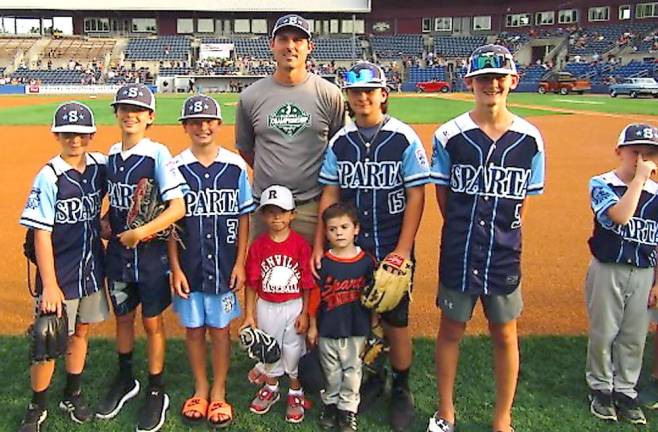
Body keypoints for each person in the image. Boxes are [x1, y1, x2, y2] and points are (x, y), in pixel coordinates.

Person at [428, 44, 545, 432]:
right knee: (450, 329)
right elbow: (444, 197)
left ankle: (502, 418)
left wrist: (502, 232)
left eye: (499, 77)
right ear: (469, 83)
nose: (491, 84)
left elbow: (522, 204)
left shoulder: (530, 139)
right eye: (483, 78)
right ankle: (445, 413)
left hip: (504, 253)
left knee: (505, 332)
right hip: (459, 250)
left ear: (513, 81)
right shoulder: (449, 135)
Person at [313, 61, 431, 431]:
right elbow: (330, 192)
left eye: (370, 90)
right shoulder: (341, 142)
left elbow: (416, 195)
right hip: (353, 248)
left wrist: (403, 250)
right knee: (357, 317)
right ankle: (369, 378)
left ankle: (401, 387)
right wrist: (320, 242)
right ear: (347, 97)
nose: (363, 97)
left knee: (396, 321)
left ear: (383, 94)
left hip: (392, 242)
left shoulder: (404, 138)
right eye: (355, 91)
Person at [96, 83, 186, 432]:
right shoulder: (112, 156)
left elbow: (177, 207)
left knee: (151, 323)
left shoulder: (157, 154)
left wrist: (141, 232)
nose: (130, 114)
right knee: (122, 318)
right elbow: (116, 203)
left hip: (149, 257)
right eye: (124, 108)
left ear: (150, 117)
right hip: (119, 254)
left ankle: (156, 389)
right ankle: (125, 379)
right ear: (116, 113)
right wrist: (106, 221)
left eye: (138, 109)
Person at [18, 102, 108, 432]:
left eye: (82, 133)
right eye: (69, 133)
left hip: (92, 269)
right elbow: (41, 233)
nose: (75, 139)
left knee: (80, 332)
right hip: (60, 273)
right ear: (57, 134)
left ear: (92, 135)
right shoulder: (50, 176)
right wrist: (50, 285)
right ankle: (36, 406)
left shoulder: (100, 166)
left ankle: (73, 392)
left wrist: (108, 222)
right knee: (48, 339)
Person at [168, 95, 255, 428]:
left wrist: (240, 262)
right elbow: (172, 224)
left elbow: (244, 216)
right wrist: (174, 267)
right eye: (195, 121)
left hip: (223, 263)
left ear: (218, 125)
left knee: (220, 330)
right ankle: (200, 387)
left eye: (209, 121)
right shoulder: (175, 167)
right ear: (186, 127)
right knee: (193, 330)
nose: (202, 126)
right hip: (188, 266)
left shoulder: (234, 166)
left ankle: (219, 390)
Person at [235, 13, 345, 245]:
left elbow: (339, 148)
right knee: (264, 275)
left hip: (312, 206)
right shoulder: (250, 97)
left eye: (298, 40)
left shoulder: (329, 94)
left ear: (309, 47)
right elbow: (246, 148)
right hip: (266, 207)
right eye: (283, 39)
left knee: (313, 278)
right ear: (272, 45)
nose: (290, 46)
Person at [586, 124, 658, 426]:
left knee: (634, 335)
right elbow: (620, 217)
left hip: (643, 272)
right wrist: (639, 181)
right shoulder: (601, 184)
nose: (642, 159)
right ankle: (601, 388)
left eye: (650, 154)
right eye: (635, 152)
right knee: (604, 332)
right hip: (608, 269)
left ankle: (626, 390)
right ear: (619, 152)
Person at [240, 185, 315, 423]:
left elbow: (307, 284)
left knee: (293, 348)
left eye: (282, 211)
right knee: (268, 347)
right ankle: (271, 387)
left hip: (293, 304)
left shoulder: (301, 245)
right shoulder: (258, 246)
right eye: (271, 212)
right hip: (267, 305)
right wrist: (249, 315)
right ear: (263, 215)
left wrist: (305, 312)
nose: (276, 217)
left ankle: (295, 390)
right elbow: (251, 282)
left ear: (292, 214)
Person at [308, 203, 376, 432]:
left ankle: (347, 410)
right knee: (332, 372)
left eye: (344, 227)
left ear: (356, 229)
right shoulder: (323, 262)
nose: (338, 233)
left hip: (357, 328)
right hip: (328, 328)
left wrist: (374, 323)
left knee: (353, 371)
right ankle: (330, 404)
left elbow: (373, 297)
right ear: (326, 233)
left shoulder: (367, 261)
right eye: (332, 229)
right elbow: (316, 298)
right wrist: (313, 326)